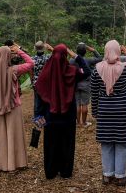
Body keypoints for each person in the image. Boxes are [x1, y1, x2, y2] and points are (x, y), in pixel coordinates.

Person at [91, 40, 126, 186]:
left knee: (106, 142)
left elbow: (94, 93)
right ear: (117, 51)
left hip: (104, 111)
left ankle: (107, 175)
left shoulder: (97, 69)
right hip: (122, 111)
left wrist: (96, 112)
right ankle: (121, 176)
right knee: (122, 143)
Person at [35, 44, 90, 179]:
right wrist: (76, 56)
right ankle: (65, 171)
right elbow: (88, 71)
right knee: (67, 143)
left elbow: (39, 100)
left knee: (50, 144)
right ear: (66, 56)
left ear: (52, 55)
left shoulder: (44, 75)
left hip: (50, 116)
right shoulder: (72, 72)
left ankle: (50, 171)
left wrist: (38, 121)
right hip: (68, 116)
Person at [0, 44, 33, 171]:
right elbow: (31, 63)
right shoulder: (14, 70)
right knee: (14, 135)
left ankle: (0, 164)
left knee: (0, 136)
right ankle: (16, 163)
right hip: (13, 107)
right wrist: (19, 51)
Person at [70, 42, 101, 127]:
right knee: (84, 104)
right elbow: (100, 58)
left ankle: (78, 122)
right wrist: (92, 49)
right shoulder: (89, 60)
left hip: (75, 84)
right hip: (86, 84)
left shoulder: (72, 61)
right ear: (85, 52)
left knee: (77, 103)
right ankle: (84, 123)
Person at [32, 41, 53, 114]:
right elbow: (58, 54)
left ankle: (37, 121)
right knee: (47, 101)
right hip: (46, 82)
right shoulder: (47, 57)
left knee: (37, 102)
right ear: (43, 49)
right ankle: (46, 118)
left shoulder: (32, 59)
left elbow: (31, 71)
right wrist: (50, 48)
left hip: (36, 82)